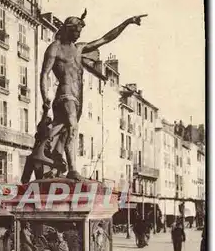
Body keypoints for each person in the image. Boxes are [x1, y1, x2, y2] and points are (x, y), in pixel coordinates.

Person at [31, 11, 147, 181]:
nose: (78, 36)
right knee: (72, 127)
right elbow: (44, 74)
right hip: (64, 94)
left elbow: (106, 38)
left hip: (78, 99)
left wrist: (127, 22)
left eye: (80, 33)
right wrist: (44, 97)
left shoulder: (79, 49)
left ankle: (54, 167)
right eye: (76, 32)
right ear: (68, 29)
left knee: (64, 133)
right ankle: (72, 169)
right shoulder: (54, 48)